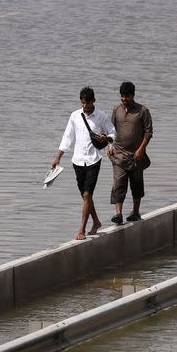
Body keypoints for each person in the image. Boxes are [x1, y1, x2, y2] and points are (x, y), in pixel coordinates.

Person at [52, 87, 115, 240]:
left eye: (87, 103)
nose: (85, 106)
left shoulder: (101, 116)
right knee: (85, 196)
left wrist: (106, 139)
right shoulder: (75, 116)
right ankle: (96, 222)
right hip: (78, 161)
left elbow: (114, 133)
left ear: (94, 101)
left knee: (87, 195)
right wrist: (58, 157)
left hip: (94, 159)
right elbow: (67, 138)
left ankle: (82, 230)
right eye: (83, 103)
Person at [108, 81, 153, 224]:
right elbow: (110, 131)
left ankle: (135, 212)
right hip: (119, 155)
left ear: (133, 95)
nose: (124, 99)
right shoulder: (117, 110)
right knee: (119, 184)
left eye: (126, 96)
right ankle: (119, 214)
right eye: (121, 96)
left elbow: (148, 132)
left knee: (136, 184)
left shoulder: (143, 111)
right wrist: (109, 146)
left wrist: (141, 150)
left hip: (136, 155)